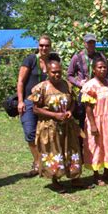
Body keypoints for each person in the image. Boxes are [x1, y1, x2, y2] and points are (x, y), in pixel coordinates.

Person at [28, 60, 82, 193]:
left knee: (71, 151)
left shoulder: (67, 85)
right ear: (47, 71)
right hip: (49, 127)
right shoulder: (40, 88)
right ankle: (55, 180)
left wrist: (70, 111)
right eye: (54, 72)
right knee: (53, 152)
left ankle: (74, 178)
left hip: (67, 126)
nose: (57, 75)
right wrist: (54, 115)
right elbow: (35, 109)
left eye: (59, 72)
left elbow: (73, 102)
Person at [81, 58, 108, 186]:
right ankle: (96, 175)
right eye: (99, 67)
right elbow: (88, 107)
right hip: (96, 121)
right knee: (96, 146)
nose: (102, 69)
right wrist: (93, 125)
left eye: (104, 67)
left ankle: (107, 171)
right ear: (94, 70)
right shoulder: (90, 85)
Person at [67, 33, 108, 152]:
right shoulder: (78, 57)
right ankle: (82, 149)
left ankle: (100, 148)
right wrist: (80, 83)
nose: (91, 45)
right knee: (83, 120)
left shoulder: (100, 56)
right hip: (85, 93)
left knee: (100, 119)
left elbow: (107, 72)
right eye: (88, 42)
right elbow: (69, 75)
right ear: (84, 44)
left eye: (93, 42)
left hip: (99, 94)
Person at [16, 35, 50, 177]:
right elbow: (20, 81)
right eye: (41, 45)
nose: (43, 48)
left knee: (46, 133)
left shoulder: (53, 61)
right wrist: (20, 101)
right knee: (30, 133)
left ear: (50, 47)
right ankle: (37, 163)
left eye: (46, 46)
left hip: (46, 103)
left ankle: (47, 163)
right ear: (38, 46)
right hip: (29, 102)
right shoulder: (30, 60)